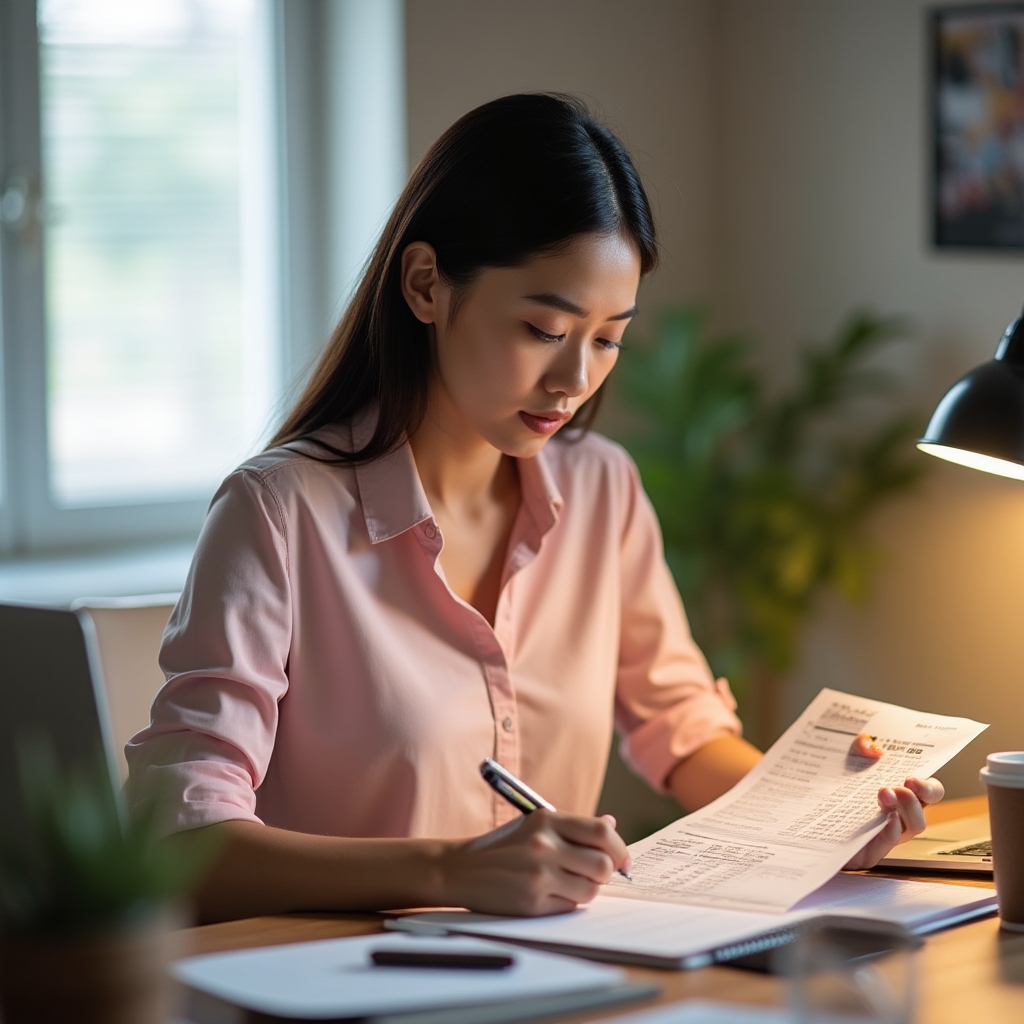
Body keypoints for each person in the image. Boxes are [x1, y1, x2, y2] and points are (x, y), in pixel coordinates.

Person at [126, 94, 943, 923]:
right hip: (333, 985)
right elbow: (182, 845)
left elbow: (683, 731)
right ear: (424, 286)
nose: (575, 379)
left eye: (608, 337)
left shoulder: (602, 490)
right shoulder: (278, 512)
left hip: (555, 980)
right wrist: (449, 872)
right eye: (545, 329)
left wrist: (822, 818)